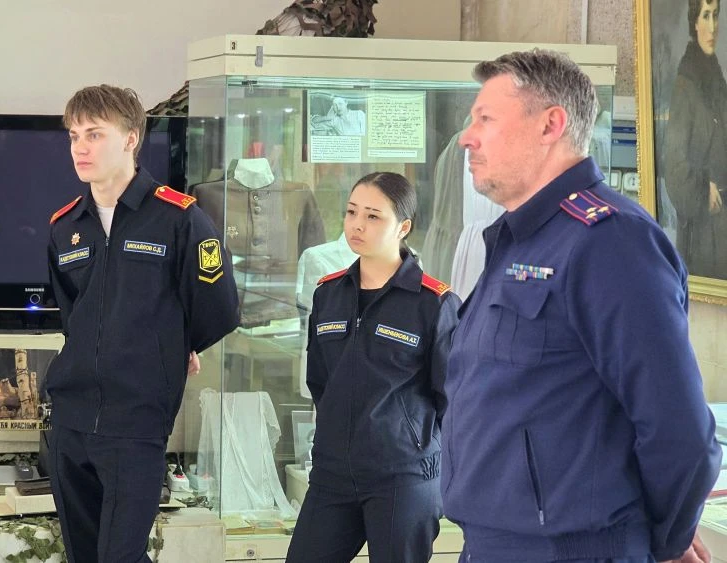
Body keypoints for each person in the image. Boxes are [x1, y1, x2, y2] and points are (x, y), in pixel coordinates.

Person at [443, 49, 721, 563]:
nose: (467, 137)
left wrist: (665, 540)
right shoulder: (520, 239)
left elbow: (678, 429)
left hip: (574, 549)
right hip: (495, 544)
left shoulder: (609, 241)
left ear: (550, 125)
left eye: (485, 119)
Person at [44, 84, 240, 563]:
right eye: (74, 136)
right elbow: (73, 316)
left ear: (131, 138)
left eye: (95, 134)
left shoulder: (180, 219)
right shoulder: (65, 226)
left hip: (137, 423)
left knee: (121, 556)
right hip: (70, 421)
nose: (80, 148)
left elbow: (218, 308)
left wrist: (173, 345)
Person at [286, 172, 460, 563]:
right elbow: (320, 381)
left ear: (403, 227)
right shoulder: (328, 294)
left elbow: (452, 398)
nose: (357, 225)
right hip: (333, 474)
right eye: (351, 212)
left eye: (373, 216)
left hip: (402, 476)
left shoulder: (433, 303)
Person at [664, 0, 727, 279]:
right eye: (705, 16)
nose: (712, 27)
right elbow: (674, 168)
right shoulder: (685, 86)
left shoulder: (716, 79)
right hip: (702, 237)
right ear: (694, 23)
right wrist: (704, 191)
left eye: (716, 15)